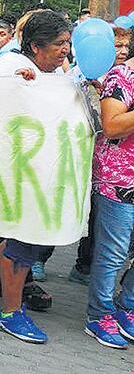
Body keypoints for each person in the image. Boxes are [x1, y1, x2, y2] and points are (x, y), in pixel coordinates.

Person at [0, 10, 72, 345]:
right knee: (25, 240)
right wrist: (13, 86)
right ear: (36, 47)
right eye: (59, 44)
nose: (65, 50)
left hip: (43, 172)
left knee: (27, 239)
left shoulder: (55, 73)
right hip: (17, 174)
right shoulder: (12, 67)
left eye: (67, 43)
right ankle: (11, 312)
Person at [84, 48, 134, 348]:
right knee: (113, 254)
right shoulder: (123, 76)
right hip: (120, 179)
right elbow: (112, 125)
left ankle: (127, 305)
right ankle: (99, 314)